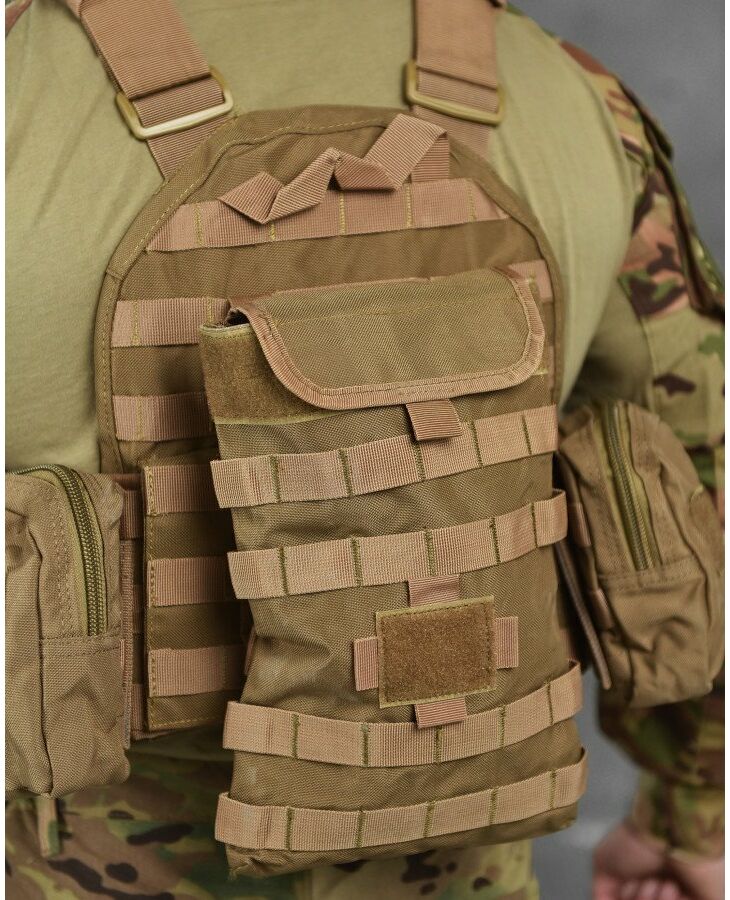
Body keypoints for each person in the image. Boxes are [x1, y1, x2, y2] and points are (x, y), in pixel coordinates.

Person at [5, 1, 723, 898]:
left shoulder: (19, 82)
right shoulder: (564, 91)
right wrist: (693, 809)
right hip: (469, 840)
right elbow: (696, 464)